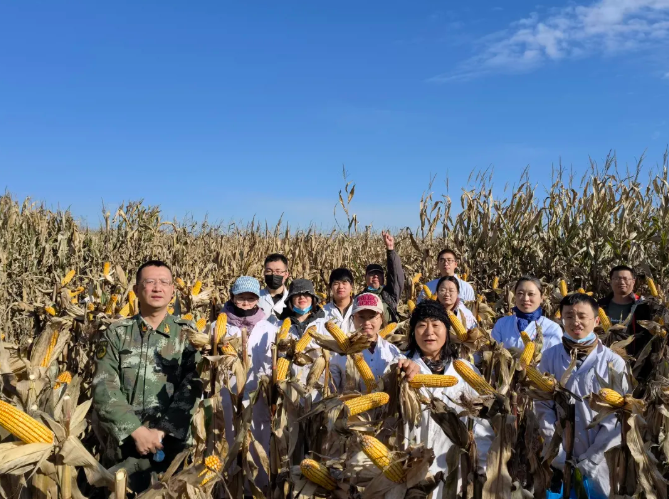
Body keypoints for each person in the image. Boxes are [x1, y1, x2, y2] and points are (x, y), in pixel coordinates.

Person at [92, 260, 201, 493]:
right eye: (149, 282)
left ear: (172, 291)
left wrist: (161, 431)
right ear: (136, 290)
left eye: (164, 283)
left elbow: (192, 388)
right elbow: (104, 387)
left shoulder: (188, 334)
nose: (157, 288)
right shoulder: (116, 334)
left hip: (173, 449)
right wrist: (137, 431)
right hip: (124, 447)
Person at [535, 293, 626, 499]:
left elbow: (617, 416)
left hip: (600, 461)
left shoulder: (613, 362)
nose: (575, 322)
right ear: (562, 319)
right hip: (558, 457)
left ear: (596, 320)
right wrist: (556, 451)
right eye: (569, 316)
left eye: (582, 316)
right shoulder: (549, 357)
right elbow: (542, 405)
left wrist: (593, 458)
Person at [404, 300, 493, 497]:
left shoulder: (466, 370)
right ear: (413, 332)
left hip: (455, 468)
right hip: (411, 469)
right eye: (421, 325)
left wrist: (482, 466)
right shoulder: (401, 367)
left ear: (447, 330)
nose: (429, 332)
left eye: (436, 325)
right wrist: (399, 376)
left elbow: (480, 423)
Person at [216, 276, 277, 494]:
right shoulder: (218, 327)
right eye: (241, 297)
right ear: (232, 297)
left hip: (258, 396)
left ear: (257, 300)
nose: (245, 302)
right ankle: (229, 490)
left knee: (258, 444)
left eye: (250, 298)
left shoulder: (269, 328)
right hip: (228, 395)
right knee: (228, 443)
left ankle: (257, 490)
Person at [329, 293, 418, 393]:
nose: (367, 323)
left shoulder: (393, 352)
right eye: (361, 317)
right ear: (353, 319)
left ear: (381, 319)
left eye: (372, 317)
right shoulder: (339, 354)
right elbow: (330, 389)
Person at [598, 265, 653, 379]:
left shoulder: (645, 307)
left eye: (625, 278)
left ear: (633, 281)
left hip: (634, 363)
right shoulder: (599, 305)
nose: (621, 282)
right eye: (617, 278)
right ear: (611, 281)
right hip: (603, 362)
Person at [492, 276, 563, 352]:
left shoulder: (552, 329)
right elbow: (492, 353)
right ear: (515, 296)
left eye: (531, 294)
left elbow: (556, 358)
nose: (525, 299)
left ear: (541, 298)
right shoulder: (502, 324)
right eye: (520, 293)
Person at [358, 231, 405, 323]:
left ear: (383, 278)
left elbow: (395, 274)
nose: (375, 275)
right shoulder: (359, 297)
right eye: (372, 273)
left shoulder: (389, 294)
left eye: (379, 274)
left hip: (390, 332)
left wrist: (390, 249)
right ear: (365, 277)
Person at [259, 253, 290, 324]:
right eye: (269, 271)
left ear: (286, 274)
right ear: (264, 273)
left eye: (278, 271)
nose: (273, 274)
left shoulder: (293, 300)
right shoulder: (254, 298)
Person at [323, 268, 355, 333]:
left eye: (344, 283)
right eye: (336, 283)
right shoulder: (322, 312)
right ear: (331, 287)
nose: (340, 287)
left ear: (351, 286)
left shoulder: (360, 309)